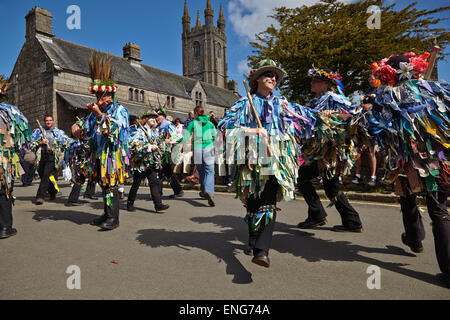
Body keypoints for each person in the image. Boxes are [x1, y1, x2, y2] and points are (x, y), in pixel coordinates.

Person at [362, 51, 450, 287]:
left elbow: (374, 128)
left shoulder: (385, 95)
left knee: (408, 198)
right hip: (437, 159)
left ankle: (415, 239)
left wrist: (367, 111)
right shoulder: (435, 89)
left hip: (403, 159)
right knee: (439, 210)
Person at [218, 58, 314, 268]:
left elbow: (305, 120)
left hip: (275, 158)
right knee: (252, 202)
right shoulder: (244, 104)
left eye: (275, 76)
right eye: (268, 75)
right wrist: (251, 131)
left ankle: (262, 251)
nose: (272, 78)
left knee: (268, 203)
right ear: (257, 79)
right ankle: (253, 241)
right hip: (251, 159)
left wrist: (322, 116)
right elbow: (225, 128)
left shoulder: (283, 105)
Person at [296, 67, 363, 232]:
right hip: (317, 152)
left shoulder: (334, 98)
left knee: (329, 186)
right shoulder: (315, 100)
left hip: (331, 151)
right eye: (312, 80)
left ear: (326, 84)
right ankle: (318, 215)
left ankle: (351, 221)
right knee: (303, 178)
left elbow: (350, 116)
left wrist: (332, 115)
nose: (311, 83)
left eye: (315, 81)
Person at [71, 52, 130, 231]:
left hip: (112, 155)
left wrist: (99, 114)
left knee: (111, 185)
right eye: (97, 97)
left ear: (109, 96)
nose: (98, 100)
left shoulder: (120, 110)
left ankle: (113, 218)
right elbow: (84, 127)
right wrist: (76, 128)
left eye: (101, 97)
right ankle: (106, 213)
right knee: (104, 185)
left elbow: (117, 130)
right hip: (98, 154)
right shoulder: (92, 113)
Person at [0, 76, 32, 238]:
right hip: (4, 159)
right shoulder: (9, 112)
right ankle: (5, 227)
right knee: (4, 190)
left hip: (4, 158)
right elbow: (24, 133)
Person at [172, 106, 216, 206]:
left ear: (196, 113)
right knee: (209, 171)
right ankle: (209, 192)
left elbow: (185, 137)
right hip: (208, 147)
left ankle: (204, 191)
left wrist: (174, 141)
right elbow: (214, 136)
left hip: (197, 149)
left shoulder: (193, 123)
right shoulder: (210, 124)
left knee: (201, 171)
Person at [127, 110, 169, 213]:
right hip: (141, 162)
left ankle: (158, 205)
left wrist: (162, 146)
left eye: (154, 118)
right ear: (146, 119)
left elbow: (160, 143)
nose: (153, 119)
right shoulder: (139, 131)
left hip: (151, 162)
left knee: (154, 183)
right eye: (150, 117)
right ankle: (130, 203)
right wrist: (148, 146)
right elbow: (134, 145)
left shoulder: (155, 132)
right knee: (136, 183)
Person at [31, 115, 69, 205]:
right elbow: (31, 144)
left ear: (53, 121)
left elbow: (66, 142)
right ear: (44, 121)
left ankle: (40, 197)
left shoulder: (58, 132)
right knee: (43, 175)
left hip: (52, 156)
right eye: (47, 120)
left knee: (45, 175)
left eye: (50, 120)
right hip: (41, 156)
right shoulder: (38, 131)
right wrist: (40, 142)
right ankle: (53, 192)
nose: (48, 122)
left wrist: (57, 146)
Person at [156, 109, 184, 198]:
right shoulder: (158, 127)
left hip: (166, 154)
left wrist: (169, 141)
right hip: (160, 153)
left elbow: (175, 137)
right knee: (166, 173)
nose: (156, 118)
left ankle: (158, 194)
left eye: (158, 116)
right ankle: (178, 190)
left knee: (161, 172)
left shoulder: (168, 125)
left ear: (163, 116)